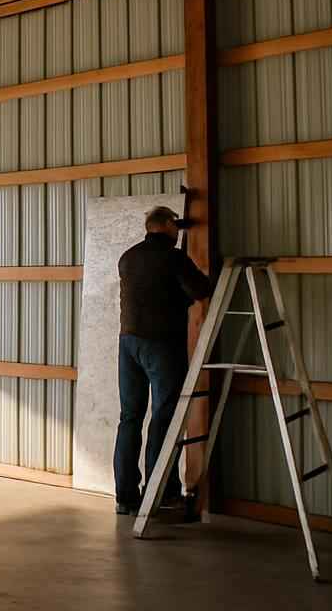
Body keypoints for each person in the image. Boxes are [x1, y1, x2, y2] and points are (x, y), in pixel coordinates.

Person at [113, 205, 213, 516]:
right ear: (168, 225)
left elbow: (151, 292)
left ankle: (125, 497)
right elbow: (201, 289)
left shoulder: (128, 257)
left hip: (128, 344)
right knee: (164, 418)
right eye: (175, 226)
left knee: (130, 417)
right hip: (161, 345)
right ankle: (162, 493)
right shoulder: (173, 258)